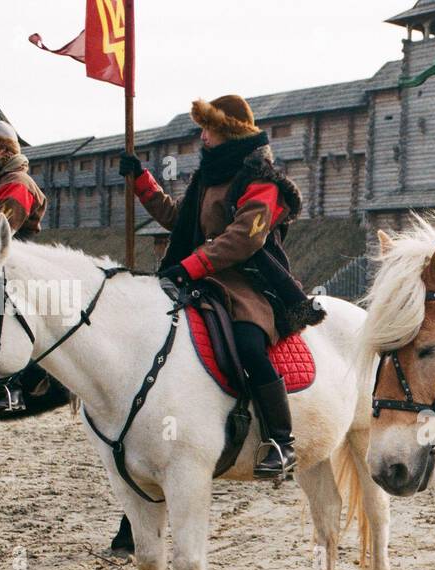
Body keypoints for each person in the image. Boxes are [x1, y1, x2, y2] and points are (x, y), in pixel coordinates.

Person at [119, 95, 312, 478]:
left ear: (228, 133)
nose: (202, 137)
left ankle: (280, 441)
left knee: (248, 344)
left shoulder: (263, 181)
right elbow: (181, 218)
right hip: (201, 277)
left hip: (249, 282)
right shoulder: (209, 178)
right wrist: (141, 180)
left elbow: (244, 237)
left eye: (208, 129)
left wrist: (190, 266)